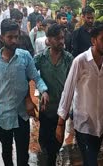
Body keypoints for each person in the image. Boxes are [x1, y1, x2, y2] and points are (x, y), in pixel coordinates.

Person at [56, 21, 103, 166]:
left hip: (100, 123)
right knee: (91, 161)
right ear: (93, 40)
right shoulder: (81, 61)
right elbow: (68, 90)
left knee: (91, 159)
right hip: (84, 122)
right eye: (102, 38)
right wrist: (60, 123)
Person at [0, 19, 48, 166]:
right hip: (3, 114)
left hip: (22, 114)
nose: (14, 40)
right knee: (6, 151)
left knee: (23, 153)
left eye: (16, 36)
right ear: (1, 38)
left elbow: (36, 77)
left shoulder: (25, 56)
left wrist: (44, 90)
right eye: (10, 37)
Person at [34, 24, 74, 165]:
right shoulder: (40, 58)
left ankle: (53, 157)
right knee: (43, 140)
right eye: (58, 39)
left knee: (57, 141)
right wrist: (41, 90)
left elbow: (73, 84)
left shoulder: (69, 59)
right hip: (46, 108)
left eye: (62, 38)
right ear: (49, 40)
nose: (62, 41)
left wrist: (70, 107)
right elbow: (32, 75)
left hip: (61, 109)